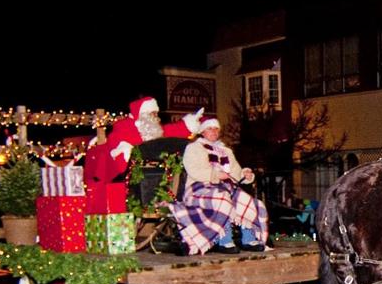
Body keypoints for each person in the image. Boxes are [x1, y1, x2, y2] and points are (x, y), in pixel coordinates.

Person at [168, 117, 269, 255]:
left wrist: (245, 175)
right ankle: (225, 240)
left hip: (226, 188)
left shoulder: (226, 151)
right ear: (202, 131)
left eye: (216, 129)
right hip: (199, 187)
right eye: (210, 128)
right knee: (222, 198)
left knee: (249, 201)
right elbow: (194, 170)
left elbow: (235, 173)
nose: (214, 131)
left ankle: (249, 239)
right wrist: (216, 175)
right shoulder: (193, 148)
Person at [105, 97, 203, 180]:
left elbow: (171, 131)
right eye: (153, 113)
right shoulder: (124, 127)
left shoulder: (154, 129)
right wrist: (124, 149)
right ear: (143, 114)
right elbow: (115, 142)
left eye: (156, 113)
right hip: (130, 177)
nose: (156, 117)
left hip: (155, 173)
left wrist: (188, 124)